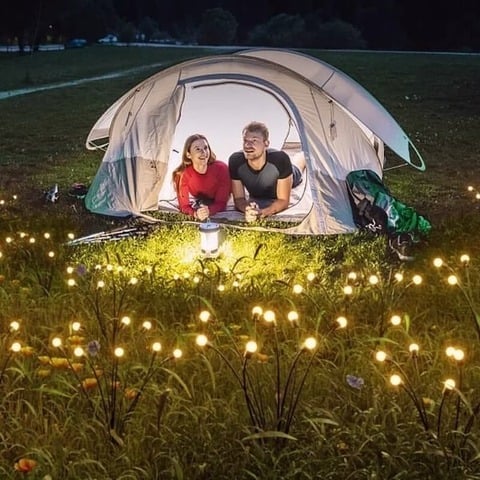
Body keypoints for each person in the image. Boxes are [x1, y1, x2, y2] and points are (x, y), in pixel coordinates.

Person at [228, 121, 305, 222]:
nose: (247, 145)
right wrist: (247, 210)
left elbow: (283, 201)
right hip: (260, 185)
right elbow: (238, 199)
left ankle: (303, 155)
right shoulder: (235, 161)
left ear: (266, 143)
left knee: (299, 162)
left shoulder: (280, 160)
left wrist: (263, 212)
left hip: (286, 177)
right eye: (245, 140)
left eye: (254, 140)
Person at [172, 134, 231, 221]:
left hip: (218, 197)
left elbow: (221, 203)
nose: (203, 152)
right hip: (201, 198)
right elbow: (184, 206)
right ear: (188, 155)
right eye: (197, 149)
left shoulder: (221, 169)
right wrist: (195, 214)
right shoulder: (183, 174)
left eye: (205, 148)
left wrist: (209, 211)